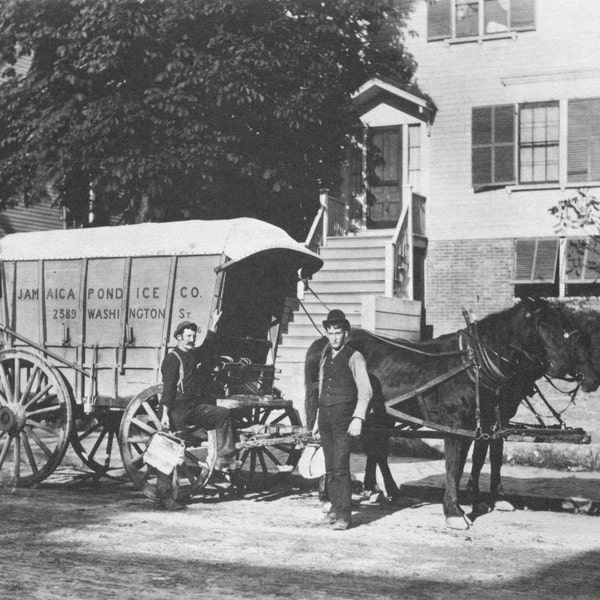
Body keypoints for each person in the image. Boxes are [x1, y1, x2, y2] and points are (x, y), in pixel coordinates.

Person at [156, 311, 238, 510]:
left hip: (194, 407)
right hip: (176, 409)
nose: (192, 340)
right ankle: (165, 497)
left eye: (193, 336)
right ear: (179, 338)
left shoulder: (193, 354)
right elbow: (167, 389)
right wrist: (165, 414)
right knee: (170, 453)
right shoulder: (172, 359)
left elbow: (207, 346)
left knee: (222, 414)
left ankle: (224, 459)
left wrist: (214, 323)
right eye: (188, 336)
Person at [317, 309, 372, 530]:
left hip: (343, 420)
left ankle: (344, 515)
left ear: (345, 333)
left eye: (338, 332)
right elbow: (321, 389)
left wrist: (358, 417)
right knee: (330, 467)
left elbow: (365, 390)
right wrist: (315, 423)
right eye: (330, 332)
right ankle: (334, 509)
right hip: (325, 419)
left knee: (341, 467)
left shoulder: (354, 357)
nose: (334, 337)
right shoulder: (325, 358)